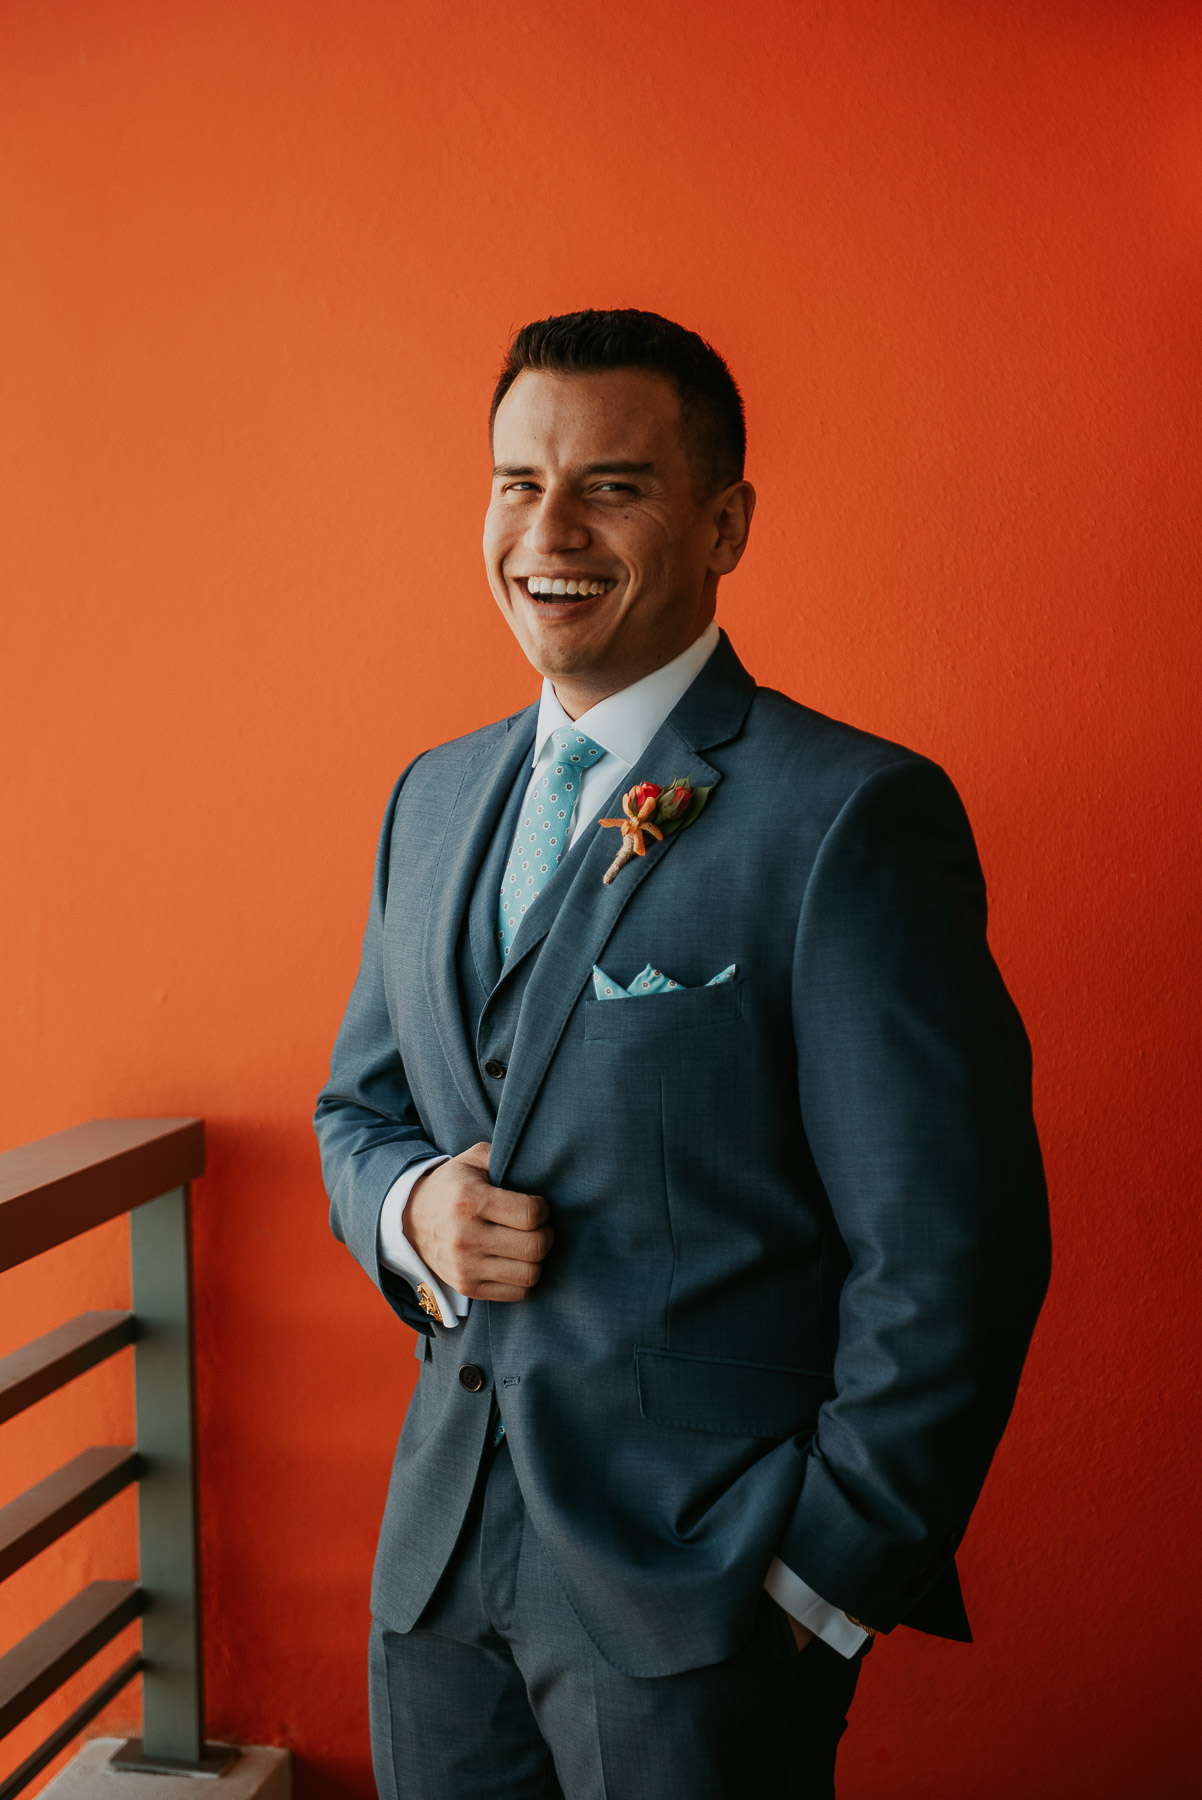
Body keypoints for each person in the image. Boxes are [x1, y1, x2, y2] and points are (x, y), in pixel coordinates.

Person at [314, 308, 1050, 1800]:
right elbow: (358, 1112)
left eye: (613, 486)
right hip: (436, 1582)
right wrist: (409, 1213)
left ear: (725, 524)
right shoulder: (432, 798)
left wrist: (815, 1584)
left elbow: (952, 1253)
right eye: (518, 481)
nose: (549, 530)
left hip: (707, 1602)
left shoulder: (847, 817)